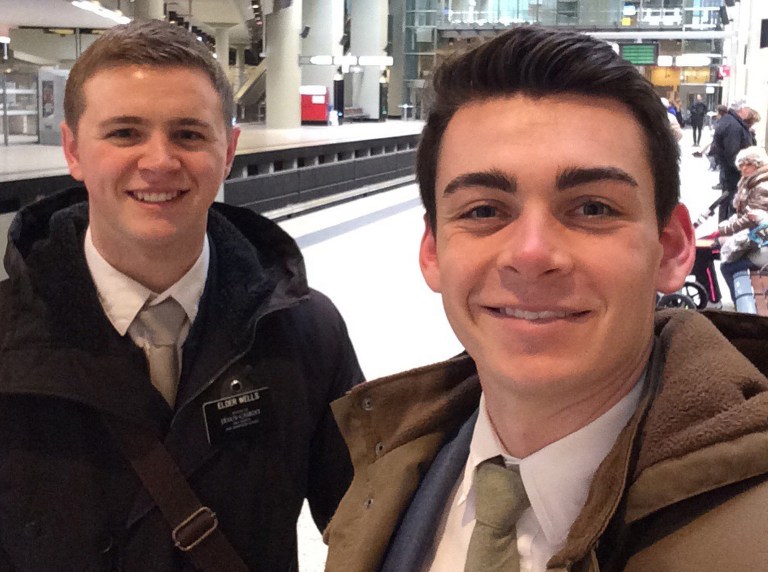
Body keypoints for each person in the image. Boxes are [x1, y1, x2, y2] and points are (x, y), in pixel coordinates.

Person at [324, 27, 768, 572]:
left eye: (593, 209)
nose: (531, 254)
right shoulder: (390, 471)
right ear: (434, 251)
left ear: (671, 248)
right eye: (484, 211)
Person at [0, 20, 363, 571]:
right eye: (125, 133)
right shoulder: (7, 336)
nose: (159, 161)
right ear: (74, 150)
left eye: (189, 134)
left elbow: (366, 523)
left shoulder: (305, 332)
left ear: (228, 151)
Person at [717, 146, 768, 302]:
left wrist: (727, 228)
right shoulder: (750, 181)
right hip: (755, 237)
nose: (744, 168)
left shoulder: (761, 185)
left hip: (761, 243)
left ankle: (741, 305)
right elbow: (743, 214)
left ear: (758, 165)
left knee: (727, 266)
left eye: (749, 164)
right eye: (742, 164)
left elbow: (751, 217)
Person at [712, 100, 761, 221]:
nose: (749, 113)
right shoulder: (733, 126)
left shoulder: (732, 122)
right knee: (731, 203)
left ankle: (724, 231)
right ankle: (726, 233)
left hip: (731, 172)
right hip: (733, 174)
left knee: (728, 202)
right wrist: (744, 171)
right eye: (748, 110)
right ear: (742, 109)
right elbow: (732, 153)